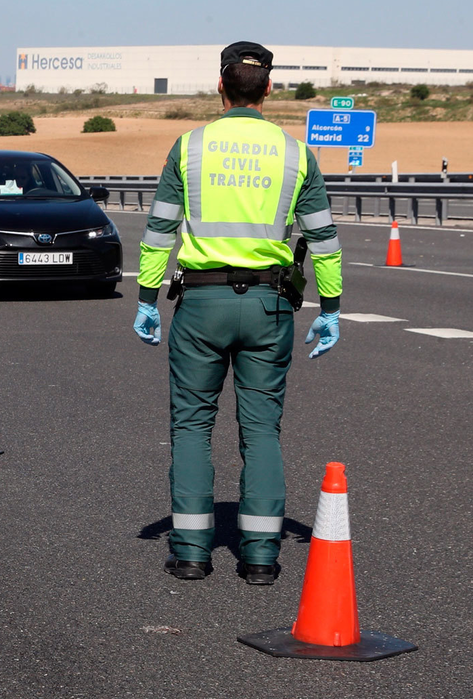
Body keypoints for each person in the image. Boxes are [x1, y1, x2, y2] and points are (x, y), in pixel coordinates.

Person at [132, 42, 343, 585]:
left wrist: (147, 300)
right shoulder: (297, 155)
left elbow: (159, 229)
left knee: (192, 427)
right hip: (271, 306)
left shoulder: (190, 147)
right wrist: (332, 306)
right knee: (262, 430)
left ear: (220, 86)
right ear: (268, 88)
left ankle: (191, 553)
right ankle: (260, 558)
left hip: (201, 305)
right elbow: (323, 240)